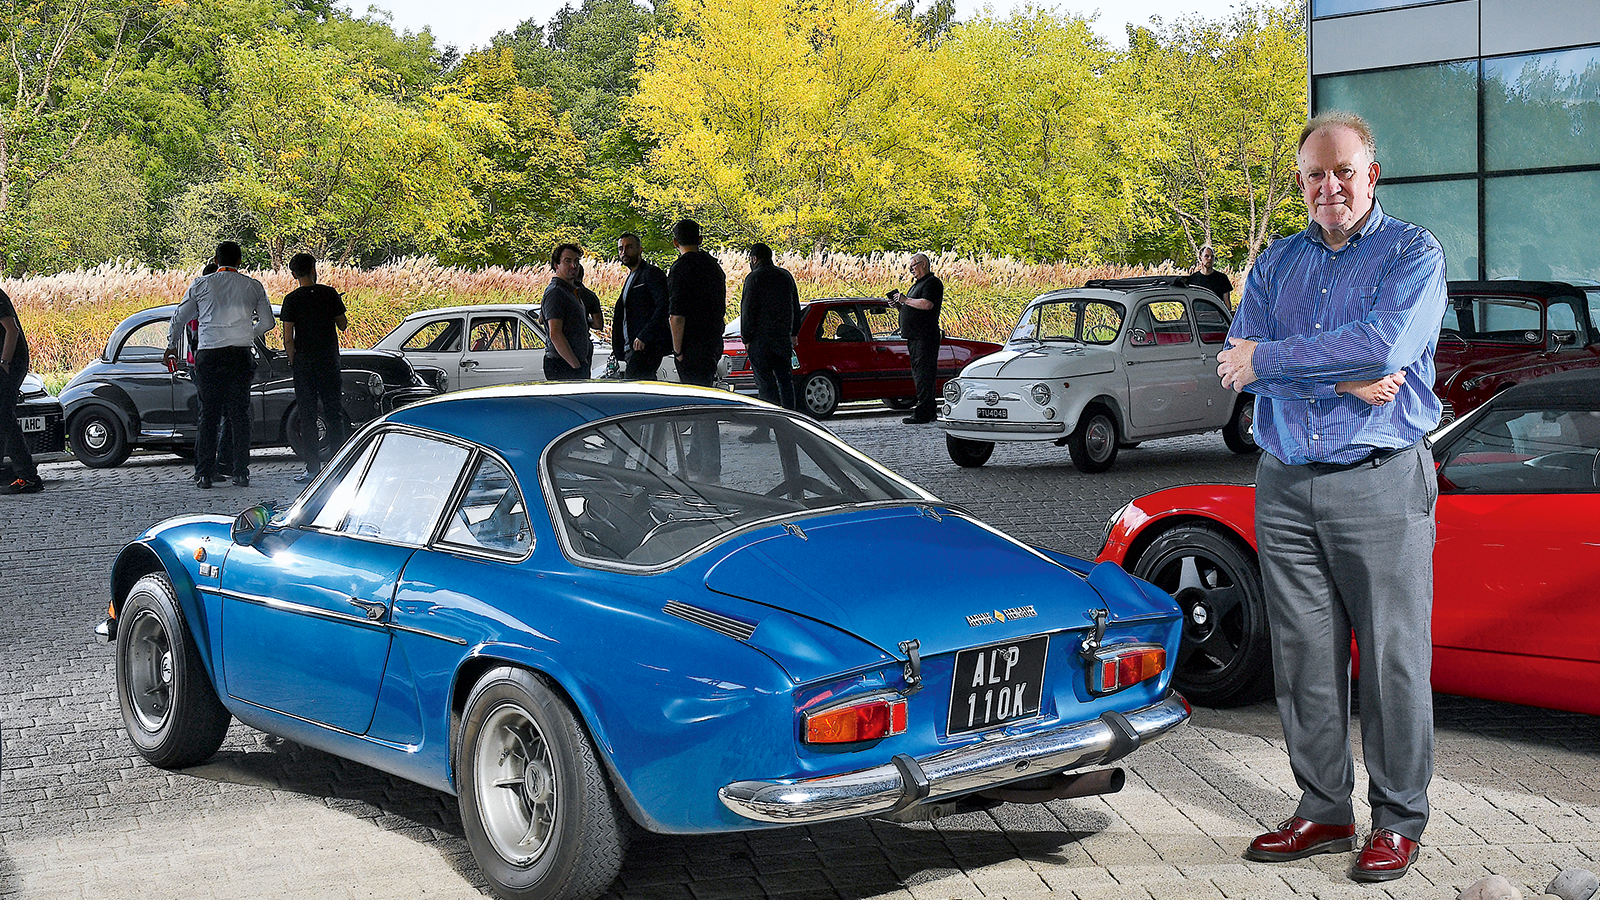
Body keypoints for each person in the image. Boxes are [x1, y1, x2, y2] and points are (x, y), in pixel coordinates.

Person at [1216, 111, 1448, 884]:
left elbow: (1383, 346)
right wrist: (1339, 376)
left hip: (1379, 480)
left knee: (1390, 658)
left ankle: (1398, 819)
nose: (1330, 186)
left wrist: (1278, 361)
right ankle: (1322, 809)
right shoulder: (1278, 263)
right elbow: (1233, 362)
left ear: (1371, 175)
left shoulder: (1412, 253)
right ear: (1300, 183)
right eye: (1316, 174)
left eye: (1344, 171)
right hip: (1283, 483)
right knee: (1305, 657)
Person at [166, 241, 274, 488]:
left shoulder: (202, 284)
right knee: (239, 414)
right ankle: (240, 472)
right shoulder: (253, 286)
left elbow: (179, 318)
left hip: (209, 355)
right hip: (240, 354)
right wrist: (248, 332)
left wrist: (171, 346)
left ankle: (204, 473)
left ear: (216, 261)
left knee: (209, 415)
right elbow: (268, 322)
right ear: (240, 262)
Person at [280, 252, 348, 483]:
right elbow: (343, 325)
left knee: (307, 415)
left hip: (304, 363)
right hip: (328, 360)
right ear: (313, 269)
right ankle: (339, 464)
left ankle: (312, 468)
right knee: (333, 411)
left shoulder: (291, 300)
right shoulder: (329, 294)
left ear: (293, 274)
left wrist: (293, 360)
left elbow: (288, 337)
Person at [667, 219, 726, 476]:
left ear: (675, 242)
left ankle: (708, 465)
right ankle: (697, 459)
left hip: (690, 345)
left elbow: (677, 316)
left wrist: (677, 350)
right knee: (704, 400)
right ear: (700, 240)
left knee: (698, 408)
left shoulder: (679, 270)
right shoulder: (714, 268)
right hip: (712, 341)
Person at [738, 243, 802, 440]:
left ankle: (765, 429)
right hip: (782, 338)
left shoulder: (754, 278)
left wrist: (746, 338)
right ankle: (792, 424)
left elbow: (747, 310)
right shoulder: (785, 276)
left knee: (765, 385)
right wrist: (794, 332)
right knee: (785, 382)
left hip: (760, 340)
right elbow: (795, 305)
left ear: (754, 259)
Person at [887, 252, 943, 424]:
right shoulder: (916, 285)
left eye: (913, 266)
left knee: (924, 374)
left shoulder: (932, 283)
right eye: (910, 267)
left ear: (923, 264)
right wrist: (899, 305)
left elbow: (927, 304)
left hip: (924, 336)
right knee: (919, 373)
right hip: (914, 336)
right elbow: (911, 307)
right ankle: (926, 409)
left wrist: (906, 299)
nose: (911, 269)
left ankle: (924, 411)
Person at [0, 286, 43, 494]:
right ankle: (21, 474)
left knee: (4, 416)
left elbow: (12, 330)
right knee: (3, 417)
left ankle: (28, 476)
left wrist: (5, 362)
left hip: (10, 363)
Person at [615, 232, 671, 380]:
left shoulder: (651, 274)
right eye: (621, 249)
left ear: (640, 249)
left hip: (646, 346)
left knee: (636, 389)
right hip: (631, 348)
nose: (624, 252)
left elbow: (664, 305)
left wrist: (645, 335)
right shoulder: (631, 277)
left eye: (629, 247)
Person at [542, 243, 592, 381]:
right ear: (556, 265)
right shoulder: (556, 292)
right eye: (568, 261)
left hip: (572, 364)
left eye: (576, 261)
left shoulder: (571, 291)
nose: (573, 266)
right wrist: (576, 365)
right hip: (562, 365)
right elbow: (555, 333)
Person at [574, 263, 605, 333]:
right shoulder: (590, 296)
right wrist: (584, 319)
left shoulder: (557, 293)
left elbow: (543, 319)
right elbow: (598, 324)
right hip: (582, 339)